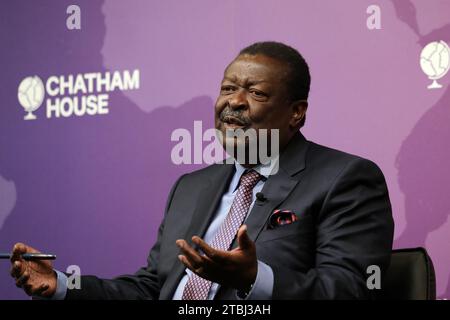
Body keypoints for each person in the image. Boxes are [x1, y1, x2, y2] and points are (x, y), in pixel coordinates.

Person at [9, 41, 394, 300]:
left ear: (296, 112)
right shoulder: (192, 186)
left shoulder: (345, 179)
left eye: (256, 93)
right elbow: (153, 288)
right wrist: (62, 284)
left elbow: (350, 289)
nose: (235, 102)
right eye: (228, 88)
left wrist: (252, 278)